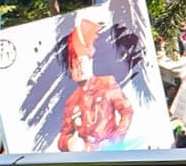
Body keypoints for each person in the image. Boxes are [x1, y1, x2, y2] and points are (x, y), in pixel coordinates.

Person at [57, 18, 134, 152]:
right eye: (74, 66)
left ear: (90, 61)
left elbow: (127, 110)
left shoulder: (107, 83)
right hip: (87, 160)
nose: (79, 69)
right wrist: (69, 142)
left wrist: (116, 138)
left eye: (81, 62)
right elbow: (63, 136)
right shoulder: (71, 101)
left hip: (112, 153)